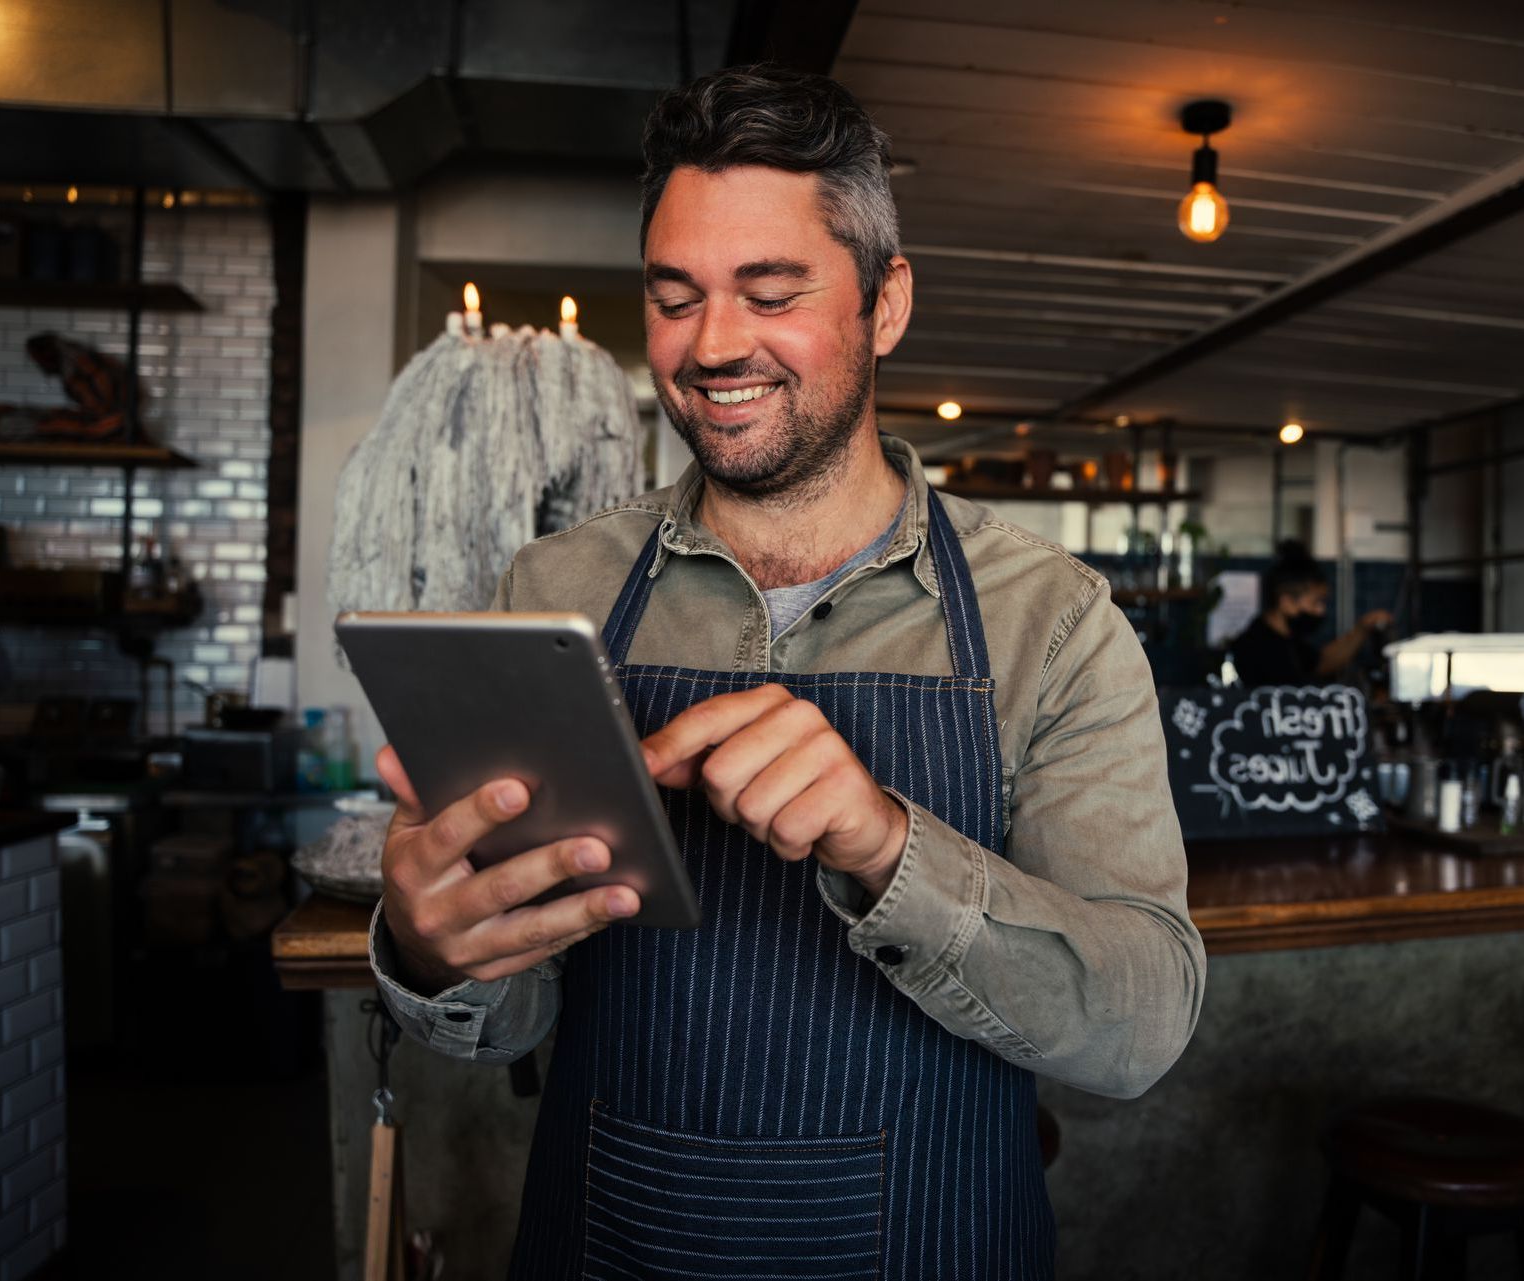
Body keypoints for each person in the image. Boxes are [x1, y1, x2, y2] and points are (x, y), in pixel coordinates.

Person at [369, 66, 1204, 1280]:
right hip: (612, 1239)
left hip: (934, 1242)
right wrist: (432, 945)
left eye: (770, 292)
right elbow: (506, 1021)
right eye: (673, 298)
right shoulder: (558, 591)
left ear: (887, 301)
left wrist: (886, 847)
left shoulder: (1052, 624)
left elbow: (1142, 1021)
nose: (712, 347)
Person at [1230, 540, 1393, 687]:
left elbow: (1322, 662)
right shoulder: (1257, 647)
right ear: (1287, 602)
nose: (1321, 610)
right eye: (1316, 602)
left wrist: (1362, 629)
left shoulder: (1289, 641)